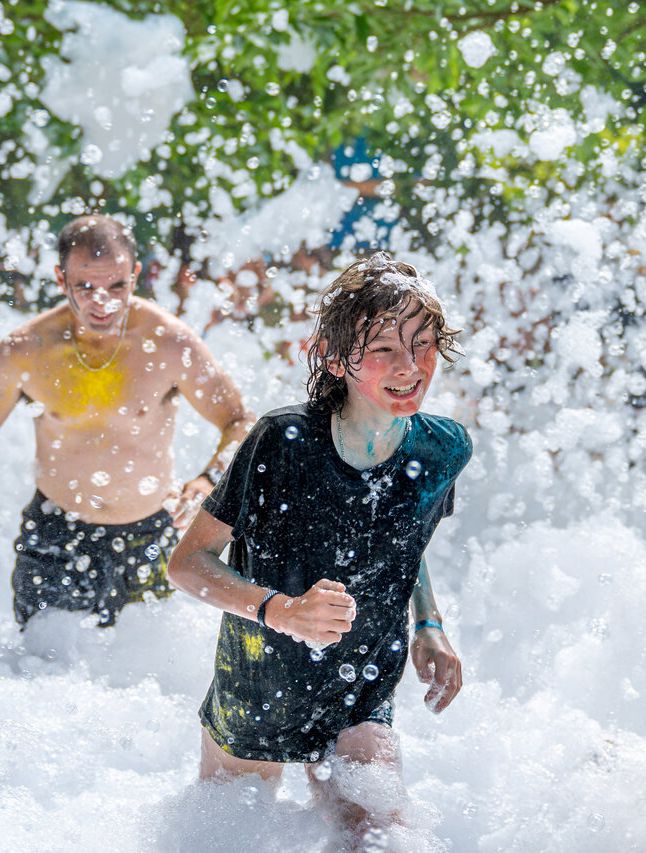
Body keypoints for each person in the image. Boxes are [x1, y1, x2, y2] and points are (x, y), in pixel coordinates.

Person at [167, 252, 471, 847]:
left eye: (425, 342)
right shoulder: (281, 443)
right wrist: (279, 610)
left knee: (378, 839)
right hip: (259, 686)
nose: (410, 365)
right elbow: (187, 564)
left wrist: (428, 623)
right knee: (229, 838)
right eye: (384, 348)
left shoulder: (443, 449)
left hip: (361, 689)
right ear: (335, 359)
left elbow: (406, 536)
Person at [0, 214, 253, 627]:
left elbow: (239, 420)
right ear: (60, 278)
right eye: (85, 288)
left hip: (148, 537)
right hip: (55, 533)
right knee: (39, 673)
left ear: (135, 275)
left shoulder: (169, 342)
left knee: (140, 677)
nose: (101, 302)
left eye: (116, 286)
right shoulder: (25, 350)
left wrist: (208, 480)